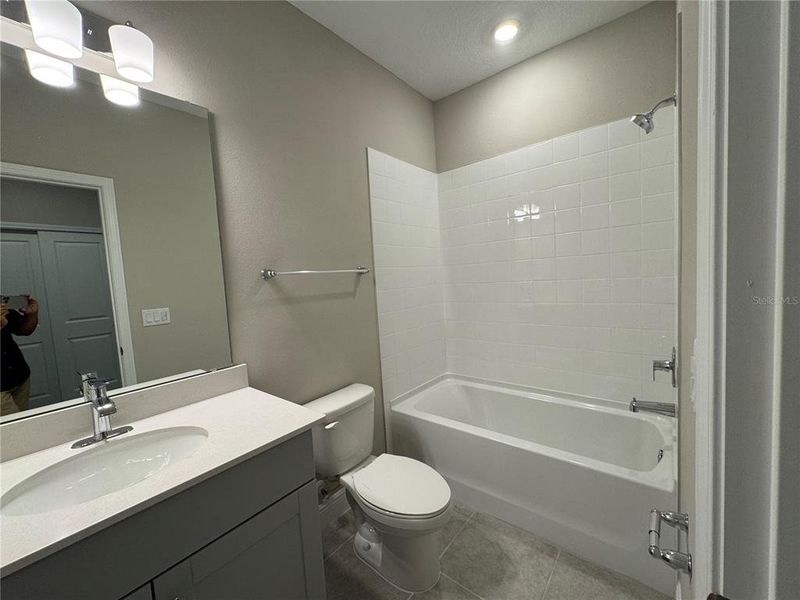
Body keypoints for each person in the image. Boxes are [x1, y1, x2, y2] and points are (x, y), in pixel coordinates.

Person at [1, 296, 38, 415]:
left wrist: (31, 315)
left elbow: (24, 330)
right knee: (16, 430)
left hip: (20, 377)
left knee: (22, 422)